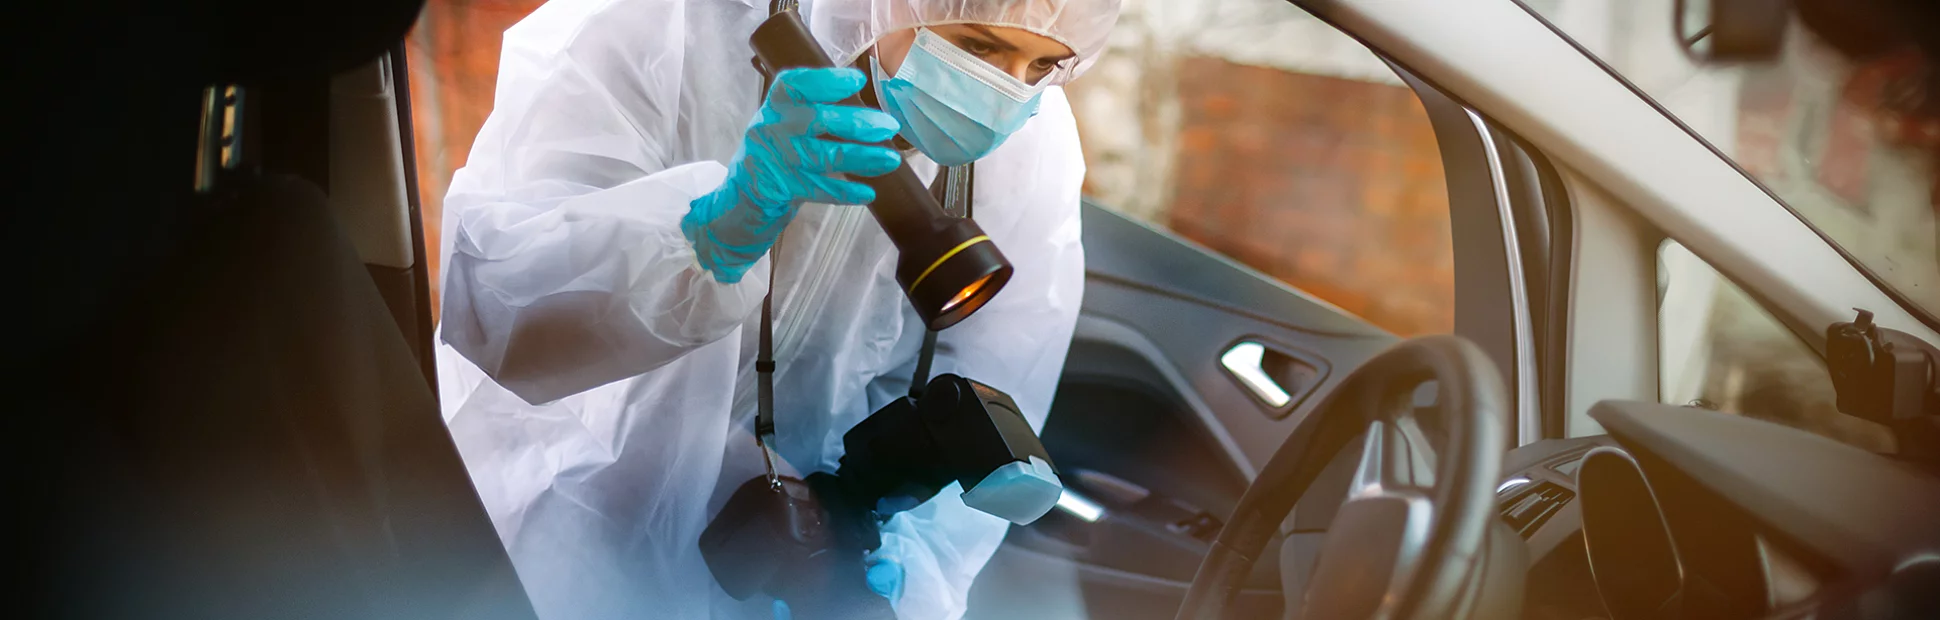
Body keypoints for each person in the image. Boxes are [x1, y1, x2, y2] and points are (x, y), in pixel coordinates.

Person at [431, 0, 1121, 619]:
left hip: (789, 571)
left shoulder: (1033, 148)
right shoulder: (657, 28)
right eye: (977, 46)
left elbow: (998, 382)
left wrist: (891, 581)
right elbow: (500, 313)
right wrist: (710, 230)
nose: (1005, 92)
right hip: (564, 532)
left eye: (1043, 66)